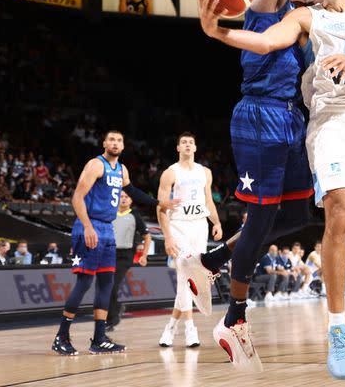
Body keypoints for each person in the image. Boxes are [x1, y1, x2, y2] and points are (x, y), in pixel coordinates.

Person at [199, 0, 345, 380]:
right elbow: (266, 39)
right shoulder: (309, 16)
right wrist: (220, 33)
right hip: (327, 123)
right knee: (338, 213)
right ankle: (337, 331)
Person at [195, 0, 345, 374]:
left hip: (290, 120)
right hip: (259, 116)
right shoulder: (263, 0)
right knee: (262, 220)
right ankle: (234, 318)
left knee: (297, 216)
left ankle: (213, 259)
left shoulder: (300, 13)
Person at [51, 130, 179, 356]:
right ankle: (61, 336)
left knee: (106, 284)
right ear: (104, 143)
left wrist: (160, 202)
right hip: (89, 226)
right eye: (111, 139)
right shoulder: (95, 165)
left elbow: (134, 192)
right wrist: (88, 227)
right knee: (84, 282)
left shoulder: (122, 170)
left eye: (119, 140)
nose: (115, 143)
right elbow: (77, 198)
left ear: (123, 145)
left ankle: (99, 338)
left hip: (108, 230)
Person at [157, 132, 222, 348]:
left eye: (191, 142)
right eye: (183, 142)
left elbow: (208, 201)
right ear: (178, 148)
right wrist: (167, 237)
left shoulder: (205, 172)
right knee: (185, 273)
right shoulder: (170, 173)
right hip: (178, 226)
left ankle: (171, 327)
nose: (187, 145)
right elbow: (161, 208)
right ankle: (190, 329)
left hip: (199, 226)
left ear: (195, 148)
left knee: (190, 277)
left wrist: (217, 223)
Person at [107, 190, 151, 331]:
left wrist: (144, 255)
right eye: (121, 197)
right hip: (109, 253)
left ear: (131, 200)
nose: (124, 199)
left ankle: (111, 319)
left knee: (113, 285)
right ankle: (116, 308)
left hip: (125, 256)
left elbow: (147, 237)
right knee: (106, 286)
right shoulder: (110, 213)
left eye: (126, 197)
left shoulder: (135, 216)